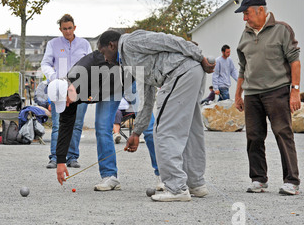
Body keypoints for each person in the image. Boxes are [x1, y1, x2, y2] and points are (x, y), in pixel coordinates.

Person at [97, 29, 215, 202]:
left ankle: (176, 188)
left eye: (103, 53)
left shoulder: (130, 43)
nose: (105, 58)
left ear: (111, 45)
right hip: (190, 72)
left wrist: (199, 56)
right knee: (190, 129)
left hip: (180, 73)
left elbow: (167, 40)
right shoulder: (130, 61)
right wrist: (136, 132)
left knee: (164, 131)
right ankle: (196, 184)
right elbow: (147, 98)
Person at [50, 50, 162, 191]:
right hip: (109, 90)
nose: (66, 106)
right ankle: (110, 176)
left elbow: (111, 54)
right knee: (102, 127)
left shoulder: (86, 69)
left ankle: (163, 175)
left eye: (65, 101)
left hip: (128, 77)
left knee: (148, 126)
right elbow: (65, 127)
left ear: (68, 89)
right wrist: (60, 161)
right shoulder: (69, 100)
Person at [234, 0, 301, 195]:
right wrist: (238, 94)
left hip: (277, 91)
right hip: (252, 94)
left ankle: (292, 181)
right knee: (253, 137)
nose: (245, 18)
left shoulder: (282, 29)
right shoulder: (244, 35)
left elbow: (294, 61)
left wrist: (295, 91)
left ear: (260, 10)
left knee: (283, 133)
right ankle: (258, 179)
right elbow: (242, 69)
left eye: (247, 13)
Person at [41, 14, 92, 169]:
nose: (68, 31)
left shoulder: (84, 44)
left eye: (70, 28)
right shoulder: (53, 44)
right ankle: (55, 157)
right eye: (64, 29)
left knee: (77, 124)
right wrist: (53, 77)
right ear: (60, 29)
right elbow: (46, 63)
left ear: (74, 27)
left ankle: (72, 157)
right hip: (60, 88)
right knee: (57, 124)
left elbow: (91, 64)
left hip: (80, 89)